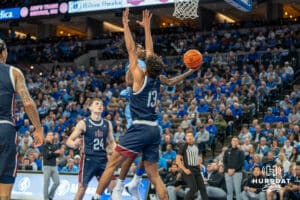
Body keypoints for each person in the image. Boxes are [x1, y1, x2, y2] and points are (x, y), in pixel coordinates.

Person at [111, 9, 201, 200]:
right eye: (139, 46)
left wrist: (189, 72)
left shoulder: (150, 66)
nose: (142, 47)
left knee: (149, 153)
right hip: (134, 111)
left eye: (143, 46)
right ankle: (120, 185)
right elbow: (129, 83)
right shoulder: (135, 65)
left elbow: (168, 82)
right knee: (133, 152)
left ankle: (135, 182)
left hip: (147, 114)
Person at [0, 39, 43, 200]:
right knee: (3, 194)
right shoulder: (13, 72)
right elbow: (27, 103)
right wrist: (38, 129)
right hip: (4, 129)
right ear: (4, 53)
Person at [67, 98, 115, 200]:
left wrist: (118, 151)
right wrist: (74, 144)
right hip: (88, 159)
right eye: (97, 103)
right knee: (82, 188)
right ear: (90, 108)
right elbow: (69, 141)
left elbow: (112, 142)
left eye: (101, 104)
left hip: (103, 159)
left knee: (113, 186)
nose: (100, 105)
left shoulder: (107, 124)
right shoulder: (83, 123)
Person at [176, 131, 208, 200]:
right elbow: (178, 160)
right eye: (188, 136)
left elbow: (196, 156)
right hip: (188, 169)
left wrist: (199, 164)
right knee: (193, 189)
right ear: (185, 138)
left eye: (191, 136)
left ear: (193, 137)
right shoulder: (183, 146)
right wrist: (184, 169)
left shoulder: (195, 145)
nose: (189, 137)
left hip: (196, 169)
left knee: (203, 188)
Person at [43, 132, 61, 200]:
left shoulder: (54, 145)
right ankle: (46, 198)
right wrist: (54, 153)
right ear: (46, 137)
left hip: (54, 166)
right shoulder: (45, 146)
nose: (51, 136)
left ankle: (50, 196)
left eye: (51, 135)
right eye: (49, 135)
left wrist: (52, 153)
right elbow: (46, 156)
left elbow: (58, 154)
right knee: (46, 183)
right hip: (47, 166)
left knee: (57, 182)